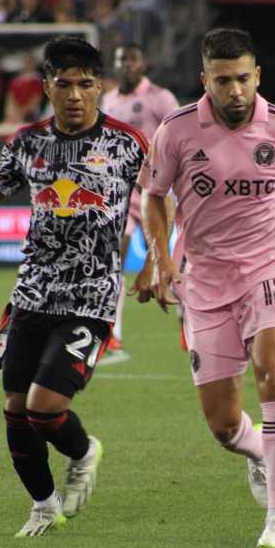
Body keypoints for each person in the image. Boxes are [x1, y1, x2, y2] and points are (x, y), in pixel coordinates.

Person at [132, 28, 275, 548]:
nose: (234, 91)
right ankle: (258, 451)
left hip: (270, 269)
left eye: (242, 79)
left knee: (274, 372)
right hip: (204, 279)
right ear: (204, 80)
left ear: (257, 76)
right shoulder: (176, 130)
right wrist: (161, 259)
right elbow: (154, 197)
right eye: (222, 81)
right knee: (223, 424)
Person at [0, 37, 147, 537]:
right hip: (32, 292)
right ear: (47, 87)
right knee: (15, 409)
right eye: (63, 84)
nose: (74, 95)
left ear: (100, 87)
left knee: (45, 407)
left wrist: (159, 257)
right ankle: (44, 506)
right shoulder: (28, 142)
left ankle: (83, 450)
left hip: (91, 296)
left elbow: (161, 195)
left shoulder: (128, 143)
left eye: (85, 84)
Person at [99, 44, 179, 358]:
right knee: (113, 261)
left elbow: (178, 137)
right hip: (120, 191)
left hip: (154, 190)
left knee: (164, 258)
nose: (127, 65)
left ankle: (188, 318)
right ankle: (112, 333)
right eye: (122, 60)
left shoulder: (160, 98)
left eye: (132, 60)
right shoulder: (108, 100)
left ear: (143, 63)